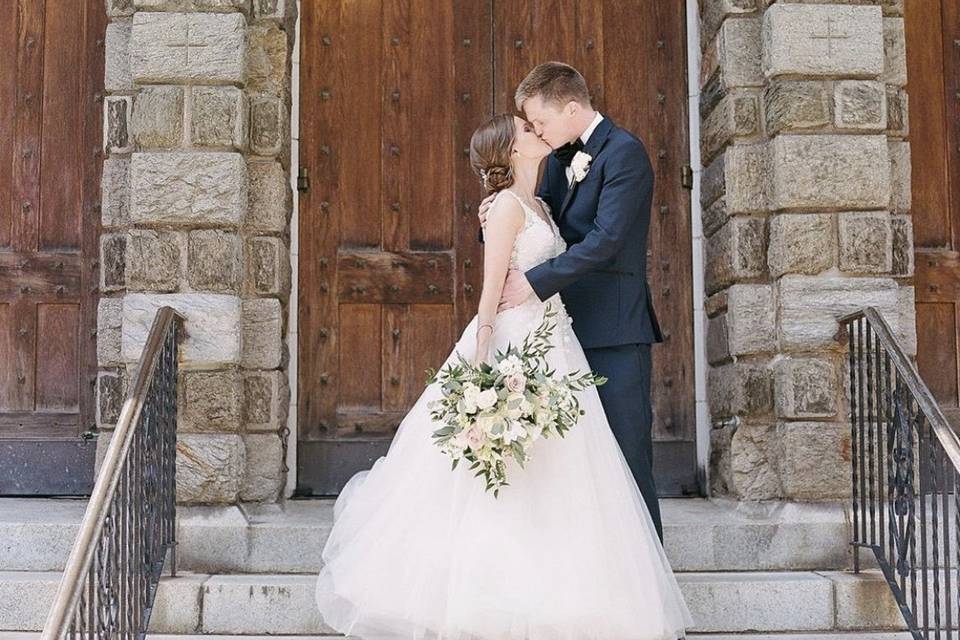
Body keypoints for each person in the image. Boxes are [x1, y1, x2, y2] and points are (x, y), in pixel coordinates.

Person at [313, 110, 693, 640]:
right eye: (525, 130)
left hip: (555, 342)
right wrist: (483, 352)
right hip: (513, 339)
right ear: (513, 151)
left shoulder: (541, 199)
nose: (536, 132)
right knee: (506, 466)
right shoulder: (508, 207)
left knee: (561, 464)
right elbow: (490, 288)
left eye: (535, 123)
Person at [478, 62, 666, 541]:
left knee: (626, 459)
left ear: (571, 107)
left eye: (540, 121)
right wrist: (492, 217)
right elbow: (533, 228)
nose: (536, 130)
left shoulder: (624, 154)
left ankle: (649, 583)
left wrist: (535, 283)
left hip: (614, 333)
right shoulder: (557, 161)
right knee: (573, 472)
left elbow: (605, 240)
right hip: (559, 338)